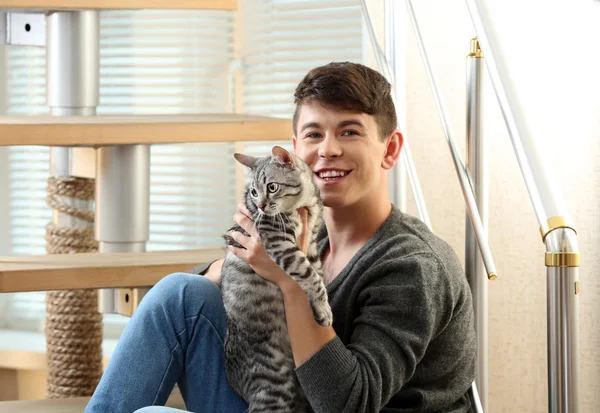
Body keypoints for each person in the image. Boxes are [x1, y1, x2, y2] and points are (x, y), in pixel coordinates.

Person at [85, 62, 476, 413]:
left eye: (349, 131)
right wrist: (247, 260)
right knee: (183, 293)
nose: (329, 149)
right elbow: (201, 304)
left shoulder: (412, 267)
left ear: (389, 150)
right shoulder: (308, 231)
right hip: (276, 400)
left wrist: (289, 281)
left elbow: (349, 404)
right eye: (313, 134)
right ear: (291, 155)